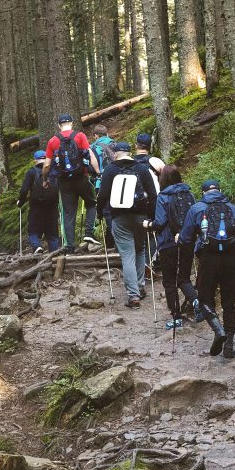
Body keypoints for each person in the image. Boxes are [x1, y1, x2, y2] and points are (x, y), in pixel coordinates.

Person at [180, 180, 235, 358]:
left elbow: (185, 239)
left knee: (204, 298)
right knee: (229, 302)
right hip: (231, 259)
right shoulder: (233, 208)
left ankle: (218, 330)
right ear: (219, 190)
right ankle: (229, 343)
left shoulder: (196, 209)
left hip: (208, 259)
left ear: (203, 192)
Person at [96, 142, 159, 308]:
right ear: (129, 153)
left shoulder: (110, 170)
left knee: (127, 255)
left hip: (119, 218)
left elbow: (102, 195)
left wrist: (99, 213)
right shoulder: (141, 169)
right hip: (141, 217)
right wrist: (152, 217)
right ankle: (140, 287)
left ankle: (133, 296)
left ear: (116, 153)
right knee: (140, 250)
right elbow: (153, 195)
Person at [150, 165, 199, 327]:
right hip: (187, 240)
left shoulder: (163, 196)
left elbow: (160, 222)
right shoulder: (189, 194)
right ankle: (196, 301)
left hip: (168, 242)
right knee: (184, 276)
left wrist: (148, 225)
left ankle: (176, 317)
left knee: (169, 280)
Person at [44, 114, 100, 249]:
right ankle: (88, 233)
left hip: (64, 182)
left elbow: (46, 165)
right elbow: (90, 154)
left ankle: (69, 246)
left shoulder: (53, 141)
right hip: (82, 177)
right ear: (72, 123)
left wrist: (45, 179)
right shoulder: (80, 136)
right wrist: (98, 172)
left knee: (68, 213)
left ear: (59, 125)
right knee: (91, 203)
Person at [16, 150, 60, 253]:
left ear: (35, 160)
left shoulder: (32, 171)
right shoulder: (54, 171)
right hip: (52, 207)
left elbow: (24, 190)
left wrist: (20, 202)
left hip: (36, 207)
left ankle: (37, 246)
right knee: (52, 235)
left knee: (33, 232)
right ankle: (54, 256)